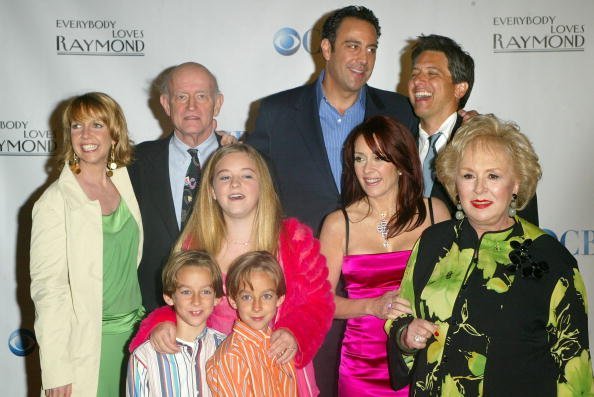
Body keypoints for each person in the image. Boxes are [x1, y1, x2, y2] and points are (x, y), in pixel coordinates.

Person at [245, 7, 417, 394]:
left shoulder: (400, 111)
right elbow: (251, 188)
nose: (364, 59)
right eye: (352, 46)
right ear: (326, 47)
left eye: (371, 49)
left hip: (385, 304)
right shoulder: (275, 113)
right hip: (306, 297)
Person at [386, 114, 594, 396]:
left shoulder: (552, 259)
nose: (479, 188)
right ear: (454, 183)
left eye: (493, 176)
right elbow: (401, 315)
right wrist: (405, 336)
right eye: (468, 175)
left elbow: (574, 369)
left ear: (517, 184)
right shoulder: (434, 242)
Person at [128, 143, 334, 397]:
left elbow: (319, 303)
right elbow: (178, 303)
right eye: (225, 177)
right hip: (216, 378)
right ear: (212, 190)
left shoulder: (294, 239)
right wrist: (163, 324)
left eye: (247, 175)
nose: (235, 183)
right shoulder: (194, 244)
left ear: (262, 186)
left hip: (280, 372)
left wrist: (295, 333)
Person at [320, 116, 450, 396]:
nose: (367, 169)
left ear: (401, 163)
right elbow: (321, 302)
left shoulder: (434, 213)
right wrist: (372, 306)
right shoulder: (337, 223)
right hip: (361, 367)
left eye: (379, 157)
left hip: (425, 359)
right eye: (359, 158)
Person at [30, 92, 144, 396]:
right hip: (89, 343)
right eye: (77, 126)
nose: (86, 135)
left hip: (137, 338)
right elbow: (48, 291)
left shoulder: (124, 181)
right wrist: (56, 370)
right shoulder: (54, 202)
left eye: (97, 124)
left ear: (114, 132)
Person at [129, 62, 235, 311]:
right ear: (166, 104)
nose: (191, 106)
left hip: (227, 312)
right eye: (181, 97)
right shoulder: (134, 164)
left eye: (201, 96)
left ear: (217, 103)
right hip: (152, 309)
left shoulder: (246, 164)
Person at [408, 34, 539, 224]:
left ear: (460, 89)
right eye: (415, 73)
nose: (418, 80)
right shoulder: (397, 143)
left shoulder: (491, 143)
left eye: (432, 73)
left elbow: (524, 219)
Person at [127, 250, 226, 396]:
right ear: (169, 297)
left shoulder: (227, 349)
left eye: (205, 292)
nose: (196, 300)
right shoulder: (144, 356)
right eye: (186, 292)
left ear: (217, 298)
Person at [206, 251, 298, 397]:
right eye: (247, 297)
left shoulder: (280, 345)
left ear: (279, 299)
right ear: (233, 301)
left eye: (266, 296)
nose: (257, 306)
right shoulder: (232, 357)